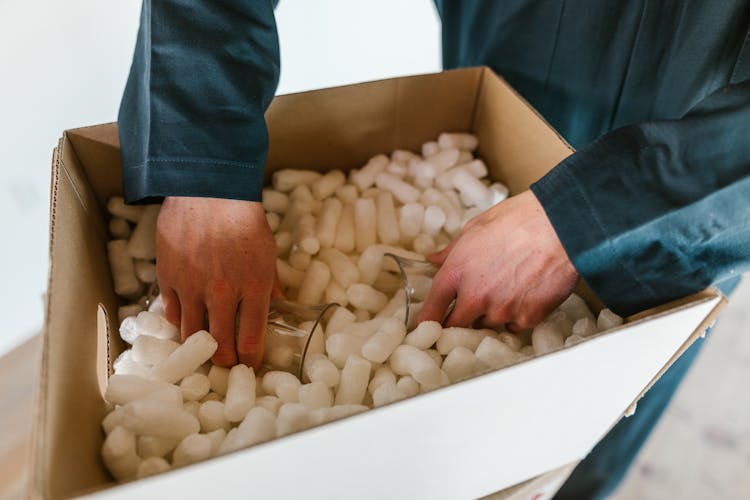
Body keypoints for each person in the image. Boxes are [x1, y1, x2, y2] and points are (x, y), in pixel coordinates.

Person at [118, 1, 750, 497]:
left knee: (573, 449)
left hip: (697, 188)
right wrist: (201, 162)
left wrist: (593, 213)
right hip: (507, 64)